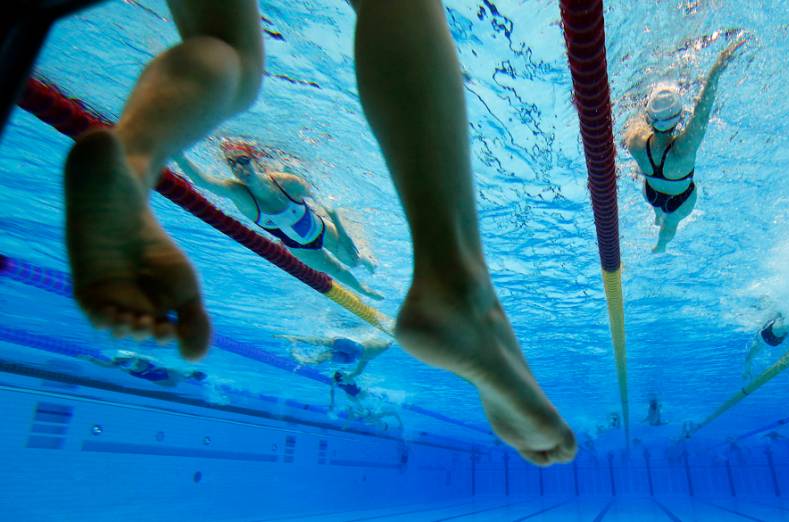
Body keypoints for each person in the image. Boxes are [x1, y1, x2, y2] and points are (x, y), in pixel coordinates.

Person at [63, 0, 575, 466]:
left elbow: (299, 193)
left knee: (232, 55)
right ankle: (455, 279)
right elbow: (205, 180)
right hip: (306, 240)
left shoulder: (276, 182)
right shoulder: (248, 192)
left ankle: (131, 156)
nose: (240, 169)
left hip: (313, 232)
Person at [173, 144, 382, 300]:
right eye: (232, 164)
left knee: (352, 260)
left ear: (256, 161)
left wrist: (342, 231)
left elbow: (327, 207)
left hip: (322, 228)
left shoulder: (286, 182)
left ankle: (364, 257)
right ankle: (362, 290)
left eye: (244, 160)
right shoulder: (238, 193)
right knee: (336, 271)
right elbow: (202, 181)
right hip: (300, 249)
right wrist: (178, 155)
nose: (239, 168)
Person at [622, 38, 746, 252]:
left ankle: (657, 215)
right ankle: (660, 247)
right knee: (671, 225)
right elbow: (702, 111)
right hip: (681, 200)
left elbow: (628, 123)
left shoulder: (636, 143)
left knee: (659, 209)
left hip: (651, 191)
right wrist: (717, 68)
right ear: (679, 118)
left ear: (649, 117)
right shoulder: (683, 150)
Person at [280, 333, 390, 380]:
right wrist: (347, 377)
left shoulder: (382, 343)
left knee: (326, 342)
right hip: (353, 358)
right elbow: (358, 372)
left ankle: (295, 339)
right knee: (319, 360)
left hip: (357, 349)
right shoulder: (372, 356)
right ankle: (297, 357)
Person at [329, 370, 403, 432]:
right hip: (356, 394)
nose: (379, 425)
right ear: (383, 422)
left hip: (353, 396)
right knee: (355, 390)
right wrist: (400, 424)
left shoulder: (368, 422)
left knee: (353, 402)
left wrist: (346, 423)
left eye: (379, 427)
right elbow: (394, 413)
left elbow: (353, 416)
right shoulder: (379, 415)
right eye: (381, 425)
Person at [86, 350, 207, 387]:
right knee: (113, 365)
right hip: (145, 373)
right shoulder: (179, 379)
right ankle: (90, 358)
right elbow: (155, 381)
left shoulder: (179, 374)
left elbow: (164, 369)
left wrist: (153, 370)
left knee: (137, 358)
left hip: (148, 371)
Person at [743, 313, 789, 381]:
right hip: (767, 334)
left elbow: (749, 357)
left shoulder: (757, 341)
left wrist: (747, 371)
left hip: (771, 339)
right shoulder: (766, 322)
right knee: (781, 318)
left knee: (786, 327)